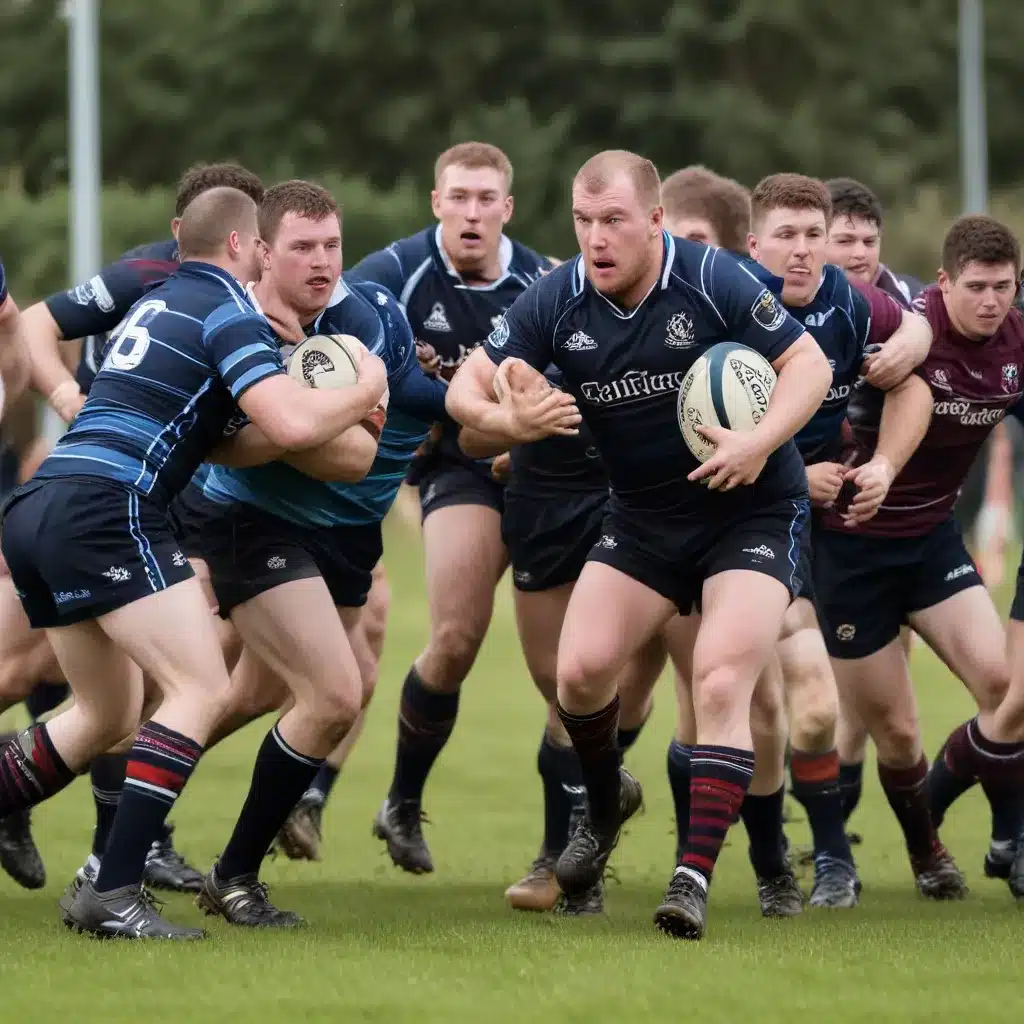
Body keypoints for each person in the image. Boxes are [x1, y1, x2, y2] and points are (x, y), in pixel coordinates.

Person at [447, 149, 834, 940]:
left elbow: (809, 363)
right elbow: (463, 390)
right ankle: (607, 796)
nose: (596, 238)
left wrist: (760, 440)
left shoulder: (712, 280)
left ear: (655, 221)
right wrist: (508, 423)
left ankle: (691, 876)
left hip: (751, 512)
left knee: (723, 683)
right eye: (584, 222)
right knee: (580, 674)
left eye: (614, 221)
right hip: (644, 519)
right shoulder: (557, 299)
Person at [0, 186, 388, 940]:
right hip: (109, 508)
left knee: (105, 715)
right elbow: (285, 420)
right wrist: (366, 389)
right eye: (272, 246)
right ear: (245, 247)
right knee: (201, 686)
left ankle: (99, 890)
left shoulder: (161, 297)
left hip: (42, 503)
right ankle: (114, 892)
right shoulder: (226, 310)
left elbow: (227, 434)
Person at [179, 180, 447, 926]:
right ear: (263, 250)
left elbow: (387, 424)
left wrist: (495, 412)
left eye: (332, 244)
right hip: (247, 526)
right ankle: (230, 875)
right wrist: (333, 409)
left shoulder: (362, 314)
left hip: (337, 536)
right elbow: (299, 449)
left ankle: (126, 817)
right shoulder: (237, 323)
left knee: (255, 696)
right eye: (303, 247)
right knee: (332, 696)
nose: (323, 261)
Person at [5, 163, 265, 896]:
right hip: (104, 496)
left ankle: (114, 863)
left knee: (126, 703)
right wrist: (66, 397)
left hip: (117, 497)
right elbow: (31, 323)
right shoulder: (163, 274)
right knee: (167, 685)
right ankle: (113, 879)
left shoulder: (251, 291)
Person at [345, 142, 551, 874]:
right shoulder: (392, 276)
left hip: (539, 476)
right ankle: (402, 800)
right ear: (436, 202)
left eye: (485, 198)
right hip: (457, 472)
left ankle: (566, 843)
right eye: (458, 196)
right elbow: (339, 358)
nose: (472, 212)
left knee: (569, 672)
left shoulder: (545, 281)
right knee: (458, 637)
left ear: (507, 209)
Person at [814, 214, 1024, 901]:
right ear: (943, 284)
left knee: (1005, 691)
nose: (991, 301)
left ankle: (1006, 836)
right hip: (850, 553)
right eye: (977, 287)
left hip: (931, 543)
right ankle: (924, 847)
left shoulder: (1017, 341)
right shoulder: (900, 324)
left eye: (1004, 287)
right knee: (897, 733)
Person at [741, 173, 934, 908]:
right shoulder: (724, 305)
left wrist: (883, 463)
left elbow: (915, 374)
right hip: (739, 524)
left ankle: (830, 860)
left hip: (823, 531)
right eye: (784, 236)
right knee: (751, 711)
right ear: (754, 243)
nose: (800, 251)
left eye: (811, 236)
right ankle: (767, 861)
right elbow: (688, 423)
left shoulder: (849, 304)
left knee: (820, 711)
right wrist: (797, 468)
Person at [458, 365, 660, 915]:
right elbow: (471, 437)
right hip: (543, 509)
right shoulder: (528, 334)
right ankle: (566, 854)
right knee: (562, 691)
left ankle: (589, 848)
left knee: (622, 692)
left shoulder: (668, 313)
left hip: (632, 505)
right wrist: (518, 422)